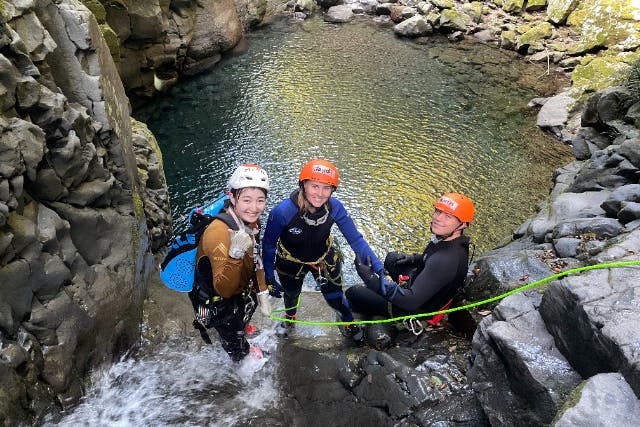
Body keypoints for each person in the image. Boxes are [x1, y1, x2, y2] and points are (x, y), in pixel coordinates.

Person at [262, 159, 383, 342]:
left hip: (323, 259)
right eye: (314, 186)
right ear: (303, 185)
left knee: (335, 297)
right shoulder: (282, 212)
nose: (320, 194)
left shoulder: (335, 208)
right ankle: (290, 319)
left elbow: (356, 239)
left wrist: (379, 268)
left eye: (326, 188)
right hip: (290, 261)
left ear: (332, 190)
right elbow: (269, 244)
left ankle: (348, 322)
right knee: (291, 294)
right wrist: (269, 276)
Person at [346, 193, 474, 326]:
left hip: (415, 309)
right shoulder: (452, 241)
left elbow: (411, 301)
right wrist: (414, 259)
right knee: (392, 259)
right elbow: (432, 258)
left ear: (462, 224)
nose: (438, 218)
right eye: (438, 211)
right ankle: (385, 292)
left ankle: (380, 305)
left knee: (353, 292)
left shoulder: (445, 260)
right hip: (424, 289)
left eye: (447, 216)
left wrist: (371, 280)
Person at [188, 164, 272, 362]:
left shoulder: (250, 220)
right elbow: (224, 289)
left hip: (242, 287)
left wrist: (262, 291)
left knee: (243, 313)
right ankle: (241, 356)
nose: (254, 208)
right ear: (233, 198)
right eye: (247, 200)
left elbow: (256, 255)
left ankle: (243, 326)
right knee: (233, 338)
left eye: (260, 200)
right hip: (219, 299)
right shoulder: (218, 234)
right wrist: (235, 255)